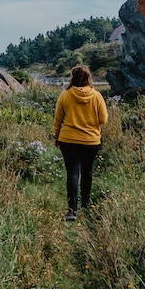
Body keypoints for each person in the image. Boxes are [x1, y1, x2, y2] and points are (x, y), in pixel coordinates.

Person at [52, 64, 108, 221]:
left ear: (72, 78)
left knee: (73, 172)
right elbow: (103, 119)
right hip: (91, 140)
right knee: (87, 172)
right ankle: (86, 206)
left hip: (68, 140)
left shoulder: (65, 95)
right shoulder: (96, 96)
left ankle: (72, 210)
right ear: (89, 78)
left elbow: (58, 119)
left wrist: (56, 136)